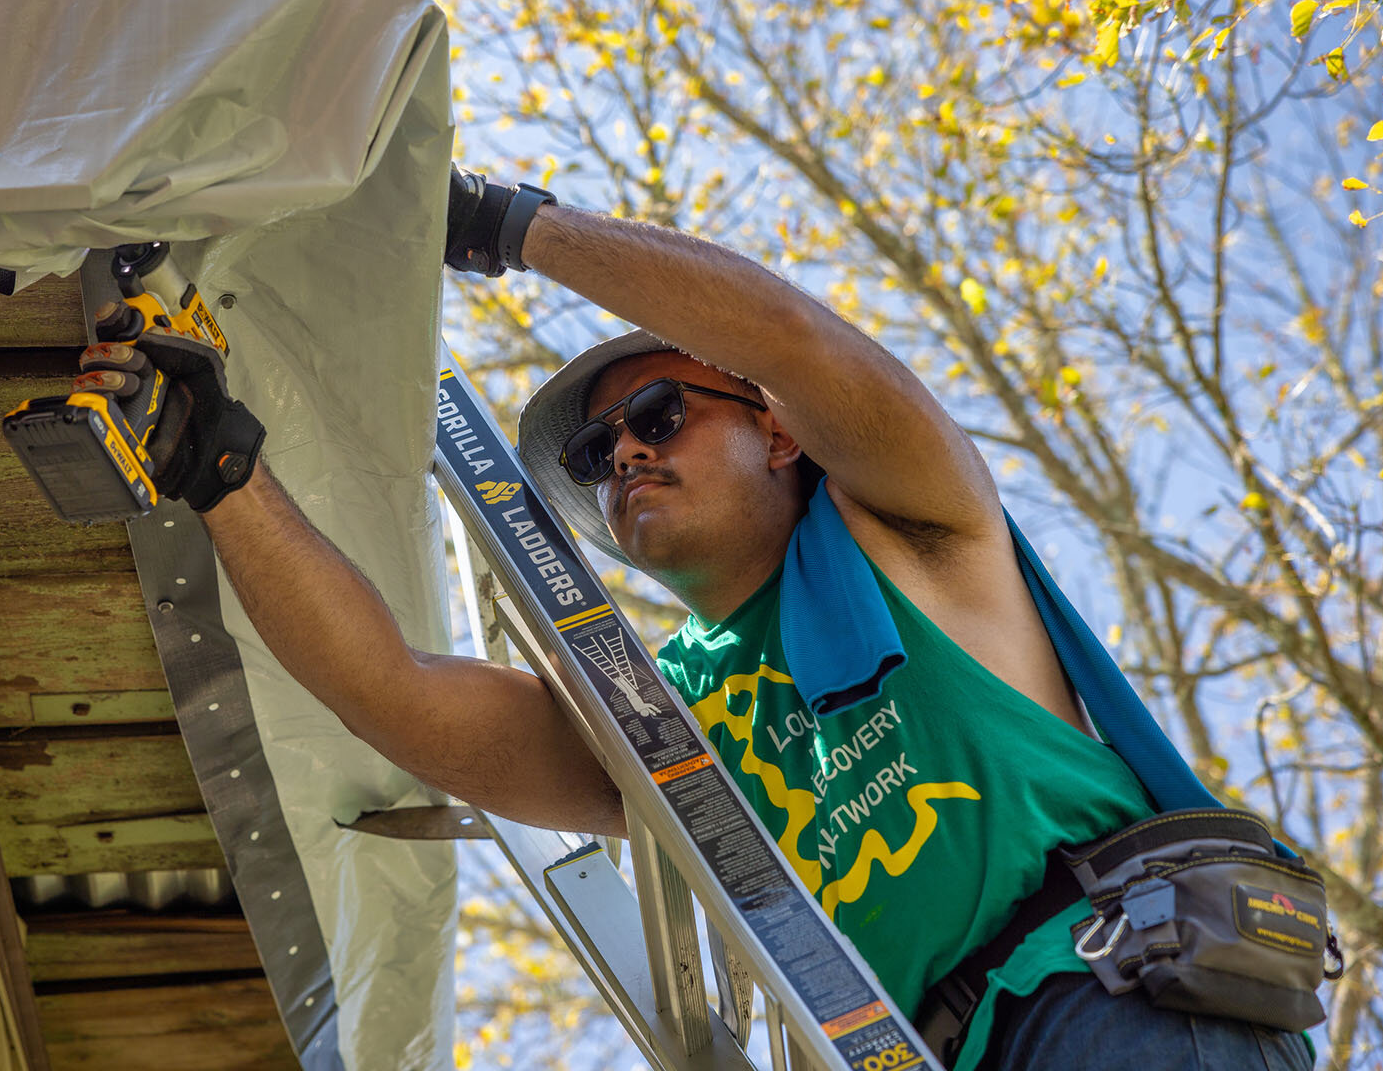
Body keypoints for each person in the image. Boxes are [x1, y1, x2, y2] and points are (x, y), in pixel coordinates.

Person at [70, 167, 1315, 1070]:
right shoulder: (668, 725)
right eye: (600, 452)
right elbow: (392, 694)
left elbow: (788, 336)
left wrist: (495, 224)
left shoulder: (912, 527)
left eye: (659, 415)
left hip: (1115, 998)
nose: (620, 455)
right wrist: (219, 479)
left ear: (776, 430)